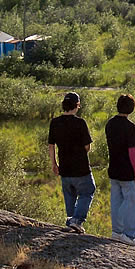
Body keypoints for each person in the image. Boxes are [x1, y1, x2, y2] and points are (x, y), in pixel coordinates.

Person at [48, 92, 95, 234]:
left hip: (64, 167)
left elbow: (51, 145)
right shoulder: (80, 123)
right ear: (77, 105)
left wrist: (54, 164)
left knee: (70, 195)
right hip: (81, 168)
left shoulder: (55, 122)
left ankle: (70, 222)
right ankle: (77, 220)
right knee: (88, 191)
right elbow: (87, 147)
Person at [105, 94, 135, 246]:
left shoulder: (110, 124)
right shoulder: (129, 127)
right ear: (131, 108)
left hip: (113, 168)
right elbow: (132, 151)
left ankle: (116, 232)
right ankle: (129, 235)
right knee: (133, 202)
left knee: (116, 201)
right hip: (127, 172)